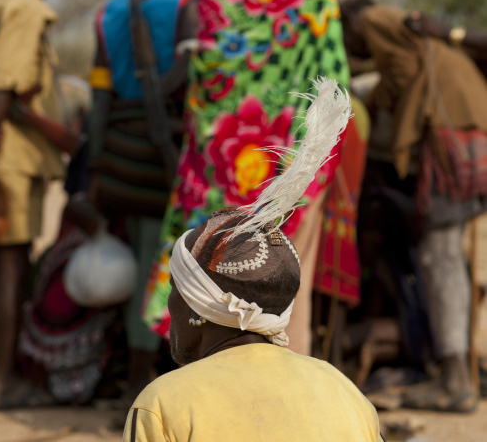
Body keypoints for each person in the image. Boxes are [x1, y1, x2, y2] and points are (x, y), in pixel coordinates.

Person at [143, 0, 350, 356]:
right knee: (285, 290)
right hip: (292, 175)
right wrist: (312, 171)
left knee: (208, 287)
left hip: (218, 170)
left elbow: (201, 94)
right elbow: (336, 89)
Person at [125, 80, 383, 442]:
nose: (170, 309)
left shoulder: (163, 404)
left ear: (200, 306)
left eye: (175, 290)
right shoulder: (346, 393)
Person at [340, 0, 487, 412]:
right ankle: (457, 373)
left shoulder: (370, 18)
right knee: (446, 255)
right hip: (469, 127)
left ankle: (455, 381)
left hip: (447, 137)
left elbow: (401, 72)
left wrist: (373, 101)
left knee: (438, 255)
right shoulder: (410, 32)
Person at [88, 0, 198, 403]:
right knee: (166, 263)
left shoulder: (107, 10)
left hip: (118, 149)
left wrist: (95, 161)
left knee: (137, 257)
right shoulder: (188, 0)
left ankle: (132, 372)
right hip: (166, 150)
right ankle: (144, 379)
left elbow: (99, 94)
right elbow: (194, 66)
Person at [0, 0, 65, 407]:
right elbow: (0, 89)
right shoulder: (24, 9)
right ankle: (3, 384)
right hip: (7, 158)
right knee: (10, 268)